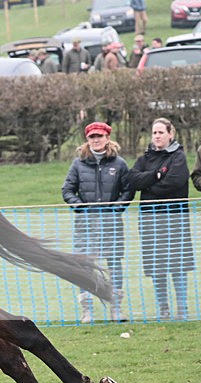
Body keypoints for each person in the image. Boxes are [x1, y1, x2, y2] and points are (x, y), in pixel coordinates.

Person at [62, 122, 134, 323]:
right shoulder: (78, 164)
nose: (96, 140)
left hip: (112, 224)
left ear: (107, 138)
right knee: (85, 265)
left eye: (99, 136)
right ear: (87, 139)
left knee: (114, 264)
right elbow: (67, 190)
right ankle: (87, 311)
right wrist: (82, 208)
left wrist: (115, 209)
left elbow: (128, 190)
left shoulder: (119, 164)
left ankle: (116, 309)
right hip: (85, 225)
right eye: (92, 137)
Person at [126, 117, 195, 320]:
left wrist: (148, 186)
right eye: (154, 132)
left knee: (178, 264)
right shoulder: (145, 158)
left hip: (175, 220)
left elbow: (174, 182)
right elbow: (132, 179)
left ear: (170, 134)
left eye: (161, 132)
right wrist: (156, 175)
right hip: (150, 221)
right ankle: (163, 307)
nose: (157, 136)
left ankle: (182, 308)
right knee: (157, 265)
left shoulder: (178, 157)